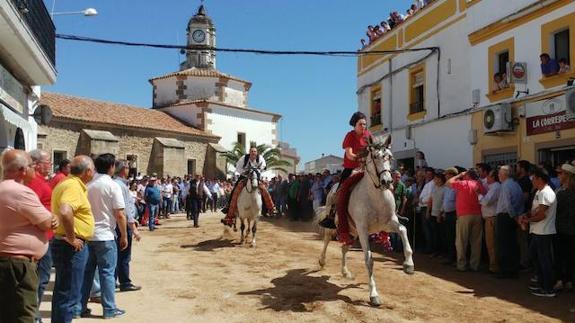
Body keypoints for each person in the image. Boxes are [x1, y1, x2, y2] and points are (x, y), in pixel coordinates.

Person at [0, 149, 57, 323]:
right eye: (32, 166)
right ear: (23, 170)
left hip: (8, 261)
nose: (35, 170)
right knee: (23, 315)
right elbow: (47, 222)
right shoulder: (20, 192)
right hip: (17, 265)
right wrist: (53, 218)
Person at [79, 153, 128, 319]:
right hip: (105, 235)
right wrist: (123, 236)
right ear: (111, 166)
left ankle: (80, 307)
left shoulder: (88, 184)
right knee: (107, 273)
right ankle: (109, 308)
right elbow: (120, 214)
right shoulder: (112, 185)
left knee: (87, 273)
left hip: (88, 234)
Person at [51, 156, 95, 323]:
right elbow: (65, 211)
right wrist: (71, 238)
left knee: (64, 293)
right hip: (71, 245)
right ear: (88, 171)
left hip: (66, 243)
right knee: (69, 295)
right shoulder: (73, 186)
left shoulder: (69, 184)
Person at [319, 111, 371, 229]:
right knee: (339, 191)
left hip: (366, 168)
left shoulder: (368, 135)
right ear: (355, 125)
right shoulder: (350, 136)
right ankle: (332, 216)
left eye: (364, 124)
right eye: (360, 124)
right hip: (351, 168)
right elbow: (349, 154)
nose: (363, 126)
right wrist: (360, 159)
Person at [520, 168, 557, 297]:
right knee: (536, 257)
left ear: (540, 179)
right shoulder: (539, 192)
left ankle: (548, 288)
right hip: (538, 231)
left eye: (534, 178)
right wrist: (527, 215)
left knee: (544, 260)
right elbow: (536, 210)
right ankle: (543, 285)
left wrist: (527, 220)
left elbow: (542, 215)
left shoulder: (545, 193)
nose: (532, 181)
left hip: (544, 232)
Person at [27, 149, 55, 323]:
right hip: (41, 236)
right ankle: (34, 316)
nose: (50, 165)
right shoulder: (35, 183)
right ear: (37, 164)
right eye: (48, 162)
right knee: (40, 279)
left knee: (41, 278)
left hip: (44, 235)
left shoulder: (39, 181)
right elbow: (31, 210)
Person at [221, 146, 275, 227]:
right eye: (252, 151)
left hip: (255, 176)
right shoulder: (244, 158)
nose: (253, 153)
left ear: (256, 153)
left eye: (255, 151)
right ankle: (229, 207)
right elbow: (238, 167)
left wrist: (258, 170)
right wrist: (245, 172)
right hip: (245, 176)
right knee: (235, 189)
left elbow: (263, 166)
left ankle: (271, 208)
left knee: (264, 190)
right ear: (249, 152)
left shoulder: (260, 158)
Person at [446, 169, 486, 272]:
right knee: (476, 242)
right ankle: (474, 265)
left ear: (467, 175)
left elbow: (448, 182)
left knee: (461, 241)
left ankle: (461, 265)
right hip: (477, 214)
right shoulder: (478, 184)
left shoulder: (462, 183)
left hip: (464, 215)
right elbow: (483, 194)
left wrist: (459, 175)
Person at [113, 160, 142, 292]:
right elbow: (125, 210)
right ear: (123, 169)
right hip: (122, 225)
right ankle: (125, 282)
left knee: (116, 255)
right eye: (127, 167)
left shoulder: (115, 184)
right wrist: (134, 229)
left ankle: (113, 281)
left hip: (116, 224)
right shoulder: (121, 186)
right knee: (124, 255)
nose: (129, 169)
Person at [495, 165, 524, 279]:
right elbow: (521, 201)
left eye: (499, 173)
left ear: (505, 174)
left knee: (503, 245)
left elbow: (507, 205)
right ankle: (513, 269)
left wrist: (513, 216)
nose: (498, 175)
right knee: (512, 244)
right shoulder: (516, 184)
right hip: (513, 217)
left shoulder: (506, 185)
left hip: (506, 217)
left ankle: (505, 271)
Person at [553, 163, 575, 291]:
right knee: (571, 257)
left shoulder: (561, 193)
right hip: (571, 230)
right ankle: (570, 281)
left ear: (566, 175)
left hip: (560, 229)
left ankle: (560, 280)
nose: (558, 175)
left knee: (559, 257)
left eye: (560, 173)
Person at [479, 169, 501, 273]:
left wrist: (478, 194)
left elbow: (486, 202)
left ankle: (494, 267)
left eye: (489, 176)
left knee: (492, 244)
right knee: (490, 243)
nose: (486, 178)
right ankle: (492, 265)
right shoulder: (492, 186)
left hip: (492, 218)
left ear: (493, 177)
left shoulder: (496, 187)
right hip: (489, 218)